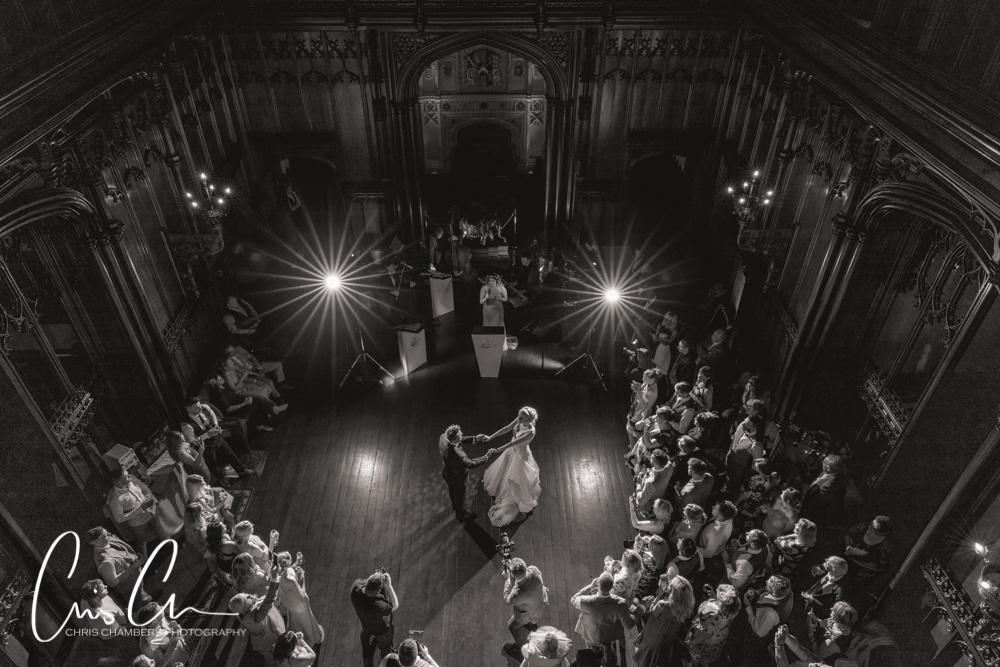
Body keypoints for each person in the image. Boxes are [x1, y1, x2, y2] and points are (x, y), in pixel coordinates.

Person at [483, 407, 542, 526]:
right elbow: (507, 428)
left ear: (528, 419)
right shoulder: (521, 419)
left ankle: (519, 503)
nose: (518, 418)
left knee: (516, 481)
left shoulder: (530, 432)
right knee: (504, 472)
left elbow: (513, 442)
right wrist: (490, 437)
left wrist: (497, 450)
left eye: (521, 417)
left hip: (520, 456)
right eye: (519, 416)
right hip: (512, 451)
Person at [181, 397, 256, 488]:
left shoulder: (204, 407)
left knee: (230, 453)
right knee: (213, 465)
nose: (200, 408)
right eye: (196, 408)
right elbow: (193, 443)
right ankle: (221, 479)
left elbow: (212, 413)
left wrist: (216, 424)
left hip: (217, 438)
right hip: (206, 446)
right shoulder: (186, 425)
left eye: (199, 405)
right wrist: (208, 435)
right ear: (188, 409)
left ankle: (241, 470)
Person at [571, 572, 635, 667]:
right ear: (612, 587)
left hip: (590, 635)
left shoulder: (586, 602)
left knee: (591, 653)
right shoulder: (620, 603)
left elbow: (573, 599)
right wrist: (636, 613)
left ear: (598, 584)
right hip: (608, 636)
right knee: (608, 655)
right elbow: (629, 624)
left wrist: (590, 586)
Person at [230, 560, 286, 666]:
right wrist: (274, 577)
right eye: (247, 597)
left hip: (258, 641)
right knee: (278, 656)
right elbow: (269, 599)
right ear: (245, 607)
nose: (250, 595)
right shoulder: (256, 616)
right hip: (268, 640)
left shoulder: (240, 614)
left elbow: (258, 601)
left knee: (268, 657)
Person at [633, 574, 695, 667]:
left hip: (651, 641)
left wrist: (659, 594)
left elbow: (651, 613)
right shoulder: (686, 610)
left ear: (672, 591)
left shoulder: (663, 605)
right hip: (665, 645)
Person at [85, 527, 153, 607]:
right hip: (131, 590)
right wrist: (133, 566)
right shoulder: (105, 561)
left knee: (146, 597)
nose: (109, 535)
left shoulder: (108, 540)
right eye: (106, 535)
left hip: (137, 583)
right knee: (143, 606)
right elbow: (113, 582)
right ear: (98, 543)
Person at [105, 466, 164, 559]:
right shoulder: (115, 499)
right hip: (138, 523)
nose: (129, 476)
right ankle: (144, 560)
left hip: (151, 512)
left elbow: (144, 488)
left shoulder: (132, 479)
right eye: (126, 476)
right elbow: (119, 519)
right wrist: (140, 509)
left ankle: (169, 544)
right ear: (118, 482)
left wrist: (153, 500)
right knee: (142, 542)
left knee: (159, 528)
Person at [438, 424, 492, 521]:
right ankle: (461, 514)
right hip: (457, 477)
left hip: (447, 473)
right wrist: (486, 457)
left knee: (451, 489)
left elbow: (459, 440)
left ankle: (455, 505)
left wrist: (475, 438)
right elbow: (472, 464)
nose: (462, 434)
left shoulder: (443, 437)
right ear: (454, 439)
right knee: (460, 496)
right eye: (460, 434)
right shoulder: (459, 455)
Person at [503, 558, 550, 660]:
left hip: (526, 614)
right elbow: (523, 576)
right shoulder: (535, 570)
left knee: (512, 626)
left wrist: (508, 579)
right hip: (538, 605)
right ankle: (535, 631)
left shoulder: (517, 593)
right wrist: (513, 568)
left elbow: (507, 600)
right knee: (532, 623)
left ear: (513, 575)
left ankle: (519, 648)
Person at [351, 570, 399, 667]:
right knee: (385, 648)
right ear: (378, 591)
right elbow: (395, 605)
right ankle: (386, 663)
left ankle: (367, 661)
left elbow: (369, 584)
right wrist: (388, 586)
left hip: (365, 624)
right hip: (382, 630)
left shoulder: (356, 586)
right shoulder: (378, 606)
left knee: (365, 640)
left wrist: (377, 577)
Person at [685, 583, 741, 666]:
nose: (717, 590)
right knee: (706, 661)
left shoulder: (715, 616)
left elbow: (705, 634)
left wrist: (692, 642)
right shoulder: (734, 608)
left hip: (702, 645)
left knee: (696, 660)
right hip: (715, 644)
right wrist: (713, 595)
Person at [742, 575, 793, 664]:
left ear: (773, 592)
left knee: (749, 647)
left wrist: (748, 607)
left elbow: (759, 632)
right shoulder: (787, 592)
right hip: (764, 616)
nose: (766, 582)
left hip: (756, 634)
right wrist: (757, 593)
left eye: (768, 585)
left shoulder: (770, 614)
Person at [277, 551, 325, 645]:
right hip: (298, 604)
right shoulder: (290, 581)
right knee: (305, 621)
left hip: (289, 603)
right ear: (289, 561)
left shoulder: (281, 575)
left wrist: (297, 563)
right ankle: (311, 637)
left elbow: (290, 569)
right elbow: (302, 595)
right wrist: (303, 578)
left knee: (296, 620)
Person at [208, 374, 277, 432]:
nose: (222, 379)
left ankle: (262, 421)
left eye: (221, 377)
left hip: (238, 402)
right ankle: (271, 412)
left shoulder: (224, 385)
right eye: (219, 379)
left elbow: (233, 393)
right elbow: (228, 409)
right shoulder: (219, 394)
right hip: (235, 411)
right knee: (257, 403)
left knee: (255, 400)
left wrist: (244, 390)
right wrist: (245, 403)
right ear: (214, 382)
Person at [843, 516, 891, 594]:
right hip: (847, 556)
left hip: (862, 569)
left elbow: (881, 567)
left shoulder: (884, 548)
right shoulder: (864, 527)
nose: (869, 528)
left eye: (874, 528)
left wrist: (860, 563)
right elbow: (848, 534)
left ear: (882, 533)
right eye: (871, 524)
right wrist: (848, 546)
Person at [136, 601, 189, 667]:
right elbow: (161, 663)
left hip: (184, 653)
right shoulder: (151, 644)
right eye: (160, 610)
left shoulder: (159, 621)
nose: (162, 607)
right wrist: (174, 640)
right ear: (155, 620)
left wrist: (176, 630)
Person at [802, 454, 849, 527]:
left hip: (813, 518)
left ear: (828, 468)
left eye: (823, 462)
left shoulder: (827, 487)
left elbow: (815, 505)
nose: (822, 463)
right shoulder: (830, 473)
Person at [634, 449, 674, 516]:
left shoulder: (651, 483)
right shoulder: (669, 466)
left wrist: (639, 484)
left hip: (649, 504)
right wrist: (651, 458)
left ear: (656, 464)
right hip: (661, 494)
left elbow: (641, 501)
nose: (650, 456)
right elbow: (658, 466)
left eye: (652, 458)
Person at [626, 370, 661, 447]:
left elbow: (646, 405)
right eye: (643, 377)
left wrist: (638, 392)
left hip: (640, 415)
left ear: (652, 380)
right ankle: (632, 445)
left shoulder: (653, 393)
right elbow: (643, 389)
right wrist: (638, 386)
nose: (642, 379)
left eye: (645, 378)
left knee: (634, 433)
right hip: (635, 409)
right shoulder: (647, 383)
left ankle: (633, 449)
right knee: (630, 429)